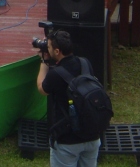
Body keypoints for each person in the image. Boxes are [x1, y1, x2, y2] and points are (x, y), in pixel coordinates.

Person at [37, 29, 102, 167]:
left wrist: (44, 62)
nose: (47, 49)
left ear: (57, 51)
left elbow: (42, 89)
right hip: (92, 134)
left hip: (67, 140)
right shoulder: (85, 63)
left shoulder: (55, 74)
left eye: (48, 47)